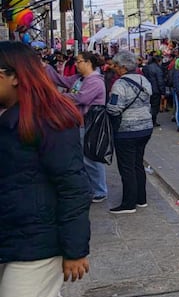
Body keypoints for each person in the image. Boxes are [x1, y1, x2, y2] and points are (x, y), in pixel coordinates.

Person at [0, 41, 91, 297]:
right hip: (23, 236)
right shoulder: (13, 116)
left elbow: (73, 187)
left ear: (14, 78)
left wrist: (74, 250)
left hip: (39, 241)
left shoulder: (47, 120)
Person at [45, 51, 109, 204]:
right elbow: (62, 80)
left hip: (90, 123)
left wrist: (57, 96)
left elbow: (81, 98)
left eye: (79, 61)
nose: (76, 64)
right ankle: (91, 188)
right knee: (83, 157)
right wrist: (46, 68)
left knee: (91, 157)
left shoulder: (95, 81)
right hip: (79, 122)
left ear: (88, 63)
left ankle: (100, 190)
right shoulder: (80, 78)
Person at [106, 51, 153, 213]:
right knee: (138, 163)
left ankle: (129, 203)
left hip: (126, 130)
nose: (115, 69)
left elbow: (114, 108)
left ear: (123, 67)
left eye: (116, 66)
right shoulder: (144, 80)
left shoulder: (119, 84)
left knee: (127, 167)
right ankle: (141, 198)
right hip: (145, 127)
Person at [141, 53, 166, 127]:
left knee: (148, 105)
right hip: (155, 90)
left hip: (146, 89)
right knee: (155, 107)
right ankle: (153, 121)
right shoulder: (157, 69)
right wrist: (163, 92)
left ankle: (148, 120)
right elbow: (160, 81)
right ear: (159, 61)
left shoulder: (146, 67)